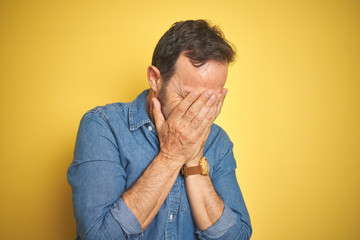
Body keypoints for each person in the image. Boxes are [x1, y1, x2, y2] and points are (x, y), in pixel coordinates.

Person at [67, 19, 252, 240]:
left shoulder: (218, 141)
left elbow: (238, 236)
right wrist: (172, 155)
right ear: (155, 79)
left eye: (210, 101)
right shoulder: (103, 126)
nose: (199, 114)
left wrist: (193, 163)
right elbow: (99, 236)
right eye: (188, 98)